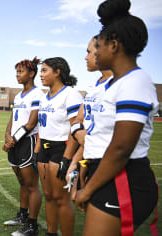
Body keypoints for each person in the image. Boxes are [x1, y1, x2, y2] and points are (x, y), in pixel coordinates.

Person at [74, 0, 159, 235]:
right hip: (106, 173)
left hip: (122, 178)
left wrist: (88, 189)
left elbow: (121, 148)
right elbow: (100, 136)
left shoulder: (136, 81)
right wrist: (85, 166)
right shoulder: (113, 85)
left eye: (98, 45)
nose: (94, 53)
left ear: (113, 45)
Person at [36, 57, 83, 236]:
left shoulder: (70, 94)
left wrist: (67, 158)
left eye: (45, 70)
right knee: (48, 195)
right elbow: (43, 126)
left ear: (58, 72)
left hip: (61, 149)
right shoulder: (44, 96)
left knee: (61, 199)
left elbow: (76, 128)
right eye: (41, 71)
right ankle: (51, 233)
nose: (41, 75)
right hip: (44, 149)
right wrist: (37, 151)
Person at [63, 35, 113, 188]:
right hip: (90, 156)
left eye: (89, 52)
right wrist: (75, 162)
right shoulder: (94, 87)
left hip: (109, 164)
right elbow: (79, 121)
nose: (86, 57)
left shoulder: (119, 85)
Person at [1, 58, 43, 236]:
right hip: (15, 143)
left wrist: (13, 140)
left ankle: (33, 226)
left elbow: (32, 123)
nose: (17, 75)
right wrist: (7, 135)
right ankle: (23, 215)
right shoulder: (18, 96)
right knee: (22, 182)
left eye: (21, 72)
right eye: (16, 72)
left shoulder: (37, 94)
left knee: (31, 185)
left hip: (27, 142)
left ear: (31, 73)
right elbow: (13, 119)